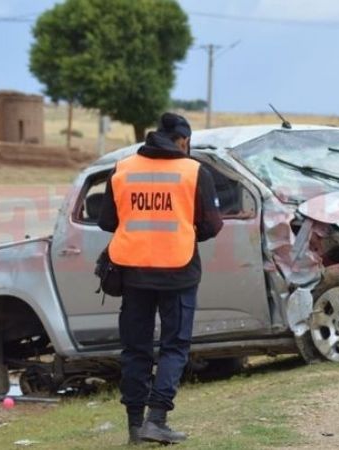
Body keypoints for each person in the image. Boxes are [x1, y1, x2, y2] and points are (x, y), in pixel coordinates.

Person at [98, 112, 223, 444]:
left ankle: (135, 428)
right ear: (183, 140)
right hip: (178, 274)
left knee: (135, 349)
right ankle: (157, 419)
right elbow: (212, 226)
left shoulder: (123, 169)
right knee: (174, 346)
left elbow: (107, 221)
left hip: (133, 273)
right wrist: (183, 227)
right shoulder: (194, 172)